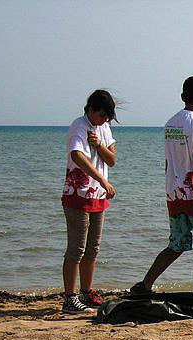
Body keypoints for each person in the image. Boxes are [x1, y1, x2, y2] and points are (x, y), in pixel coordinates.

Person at [131, 76, 193, 294]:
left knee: (177, 244)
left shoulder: (170, 124)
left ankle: (145, 285)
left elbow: (168, 162)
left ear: (182, 97)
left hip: (173, 192)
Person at [61, 89, 117, 314]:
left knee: (92, 249)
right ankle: (70, 298)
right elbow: (77, 155)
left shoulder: (103, 127)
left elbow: (111, 159)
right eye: (101, 115)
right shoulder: (79, 126)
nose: (104, 120)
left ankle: (87, 291)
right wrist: (102, 180)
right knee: (76, 249)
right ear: (91, 110)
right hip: (78, 195)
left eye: (107, 117)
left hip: (97, 197)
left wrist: (98, 145)